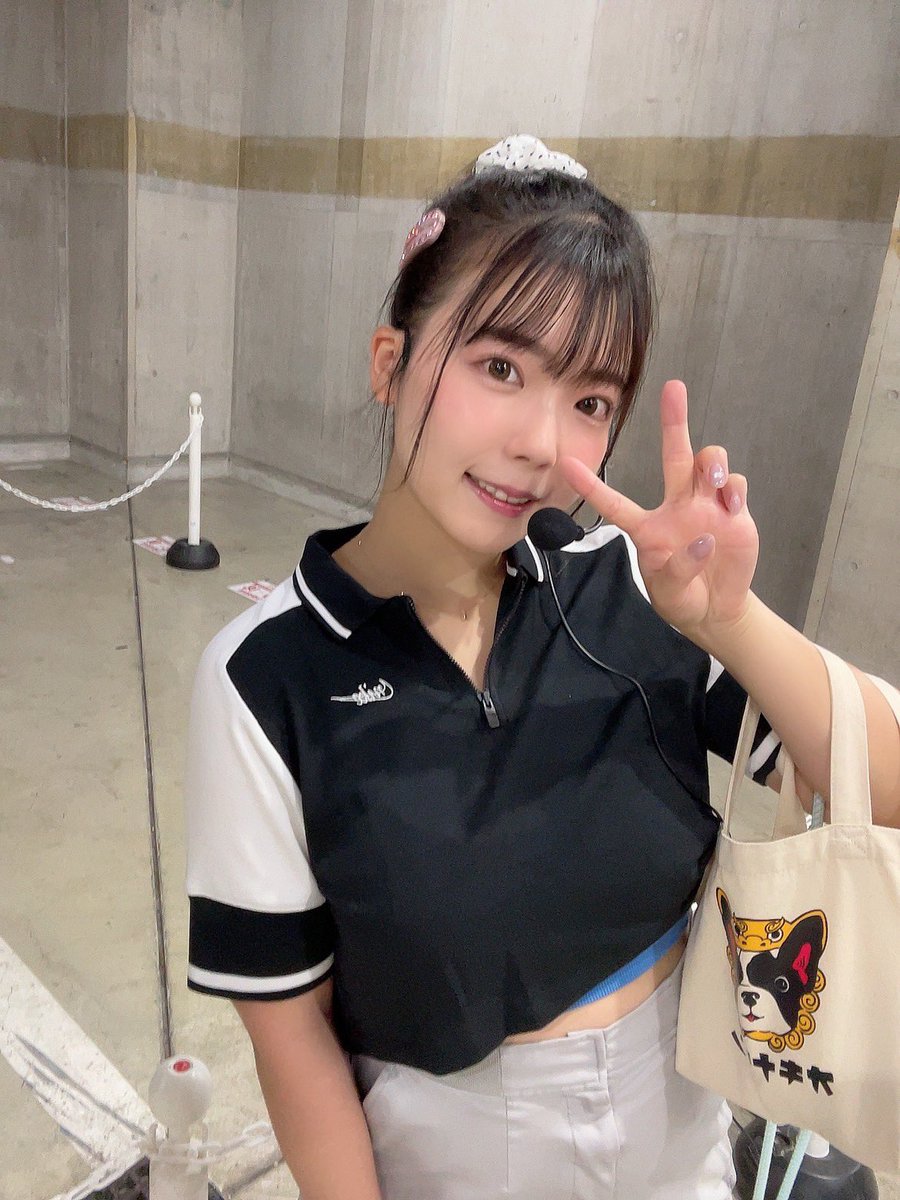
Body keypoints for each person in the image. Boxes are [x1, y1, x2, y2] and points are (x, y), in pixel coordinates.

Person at [184, 136, 900, 1200]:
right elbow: (293, 1040)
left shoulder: (624, 584)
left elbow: (885, 789)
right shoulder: (264, 677)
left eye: (590, 402)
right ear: (390, 364)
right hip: (451, 1153)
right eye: (500, 368)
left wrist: (731, 623)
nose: (539, 441)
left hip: (687, 1138)